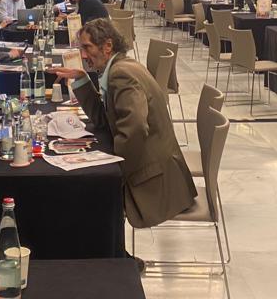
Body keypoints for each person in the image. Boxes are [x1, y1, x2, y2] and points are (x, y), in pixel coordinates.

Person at [54, 19, 197, 229]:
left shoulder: (121, 74)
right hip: (156, 168)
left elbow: (135, 129)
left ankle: (105, 249)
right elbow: (104, 120)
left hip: (154, 181)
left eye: (87, 47)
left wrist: (115, 170)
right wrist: (83, 79)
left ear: (107, 46)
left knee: (84, 196)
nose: (83, 56)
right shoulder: (121, 66)